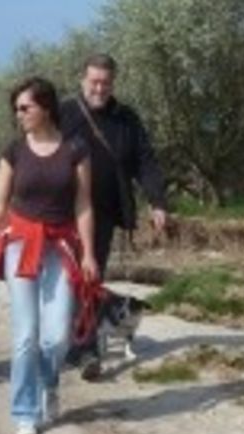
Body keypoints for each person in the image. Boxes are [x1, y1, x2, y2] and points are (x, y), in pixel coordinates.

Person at [0, 77, 98, 434]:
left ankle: (49, 382)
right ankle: (25, 411)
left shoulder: (75, 149)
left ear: (46, 108)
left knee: (56, 338)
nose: (19, 114)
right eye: (16, 109)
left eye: (25, 107)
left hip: (60, 246)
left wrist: (88, 252)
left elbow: (84, 204)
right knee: (26, 335)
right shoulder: (14, 150)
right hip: (20, 244)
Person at [58, 54, 167, 379]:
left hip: (103, 214)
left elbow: (145, 161)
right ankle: (67, 342)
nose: (99, 88)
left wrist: (157, 201)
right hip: (60, 213)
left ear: (113, 83)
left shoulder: (126, 119)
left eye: (105, 82)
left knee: (90, 279)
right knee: (62, 283)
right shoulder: (63, 113)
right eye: (94, 81)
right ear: (83, 80)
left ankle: (87, 349)